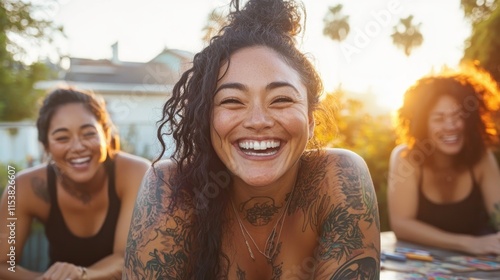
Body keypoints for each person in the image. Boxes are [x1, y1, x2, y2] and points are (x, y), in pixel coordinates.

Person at [123, 0, 380, 279]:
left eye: (281, 99)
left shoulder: (337, 179)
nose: (258, 121)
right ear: (207, 119)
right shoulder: (171, 189)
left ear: (309, 119)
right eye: (233, 101)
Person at [0, 88, 150, 279]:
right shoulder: (24, 187)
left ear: (105, 134)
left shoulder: (136, 173)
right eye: (62, 138)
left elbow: (128, 257)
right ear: (46, 146)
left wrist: (82, 274)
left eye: (88, 134)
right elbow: (4, 265)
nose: (78, 147)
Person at [388, 68, 500, 256]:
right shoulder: (406, 158)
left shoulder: (482, 157)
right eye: (439, 118)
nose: (450, 126)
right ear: (423, 125)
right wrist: (469, 243)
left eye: (458, 116)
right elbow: (402, 225)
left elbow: (498, 215)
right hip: (419, 264)